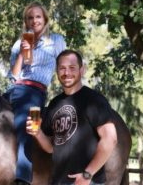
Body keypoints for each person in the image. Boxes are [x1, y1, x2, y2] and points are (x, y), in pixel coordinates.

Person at [26, 49, 118, 185]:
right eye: (62, 68)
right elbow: (52, 148)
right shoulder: (55, 103)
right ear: (57, 72)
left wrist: (87, 174)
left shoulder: (94, 100)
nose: (66, 73)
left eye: (72, 68)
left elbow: (110, 138)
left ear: (82, 70)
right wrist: (38, 133)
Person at [4, 1, 66, 185]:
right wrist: (23, 53)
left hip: (34, 91)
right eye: (30, 18)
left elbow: (63, 66)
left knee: (28, 125)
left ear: (45, 19)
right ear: (26, 21)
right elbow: (13, 76)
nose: (34, 21)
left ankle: (22, 177)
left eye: (38, 17)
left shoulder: (55, 40)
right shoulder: (19, 43)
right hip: (15, 89)